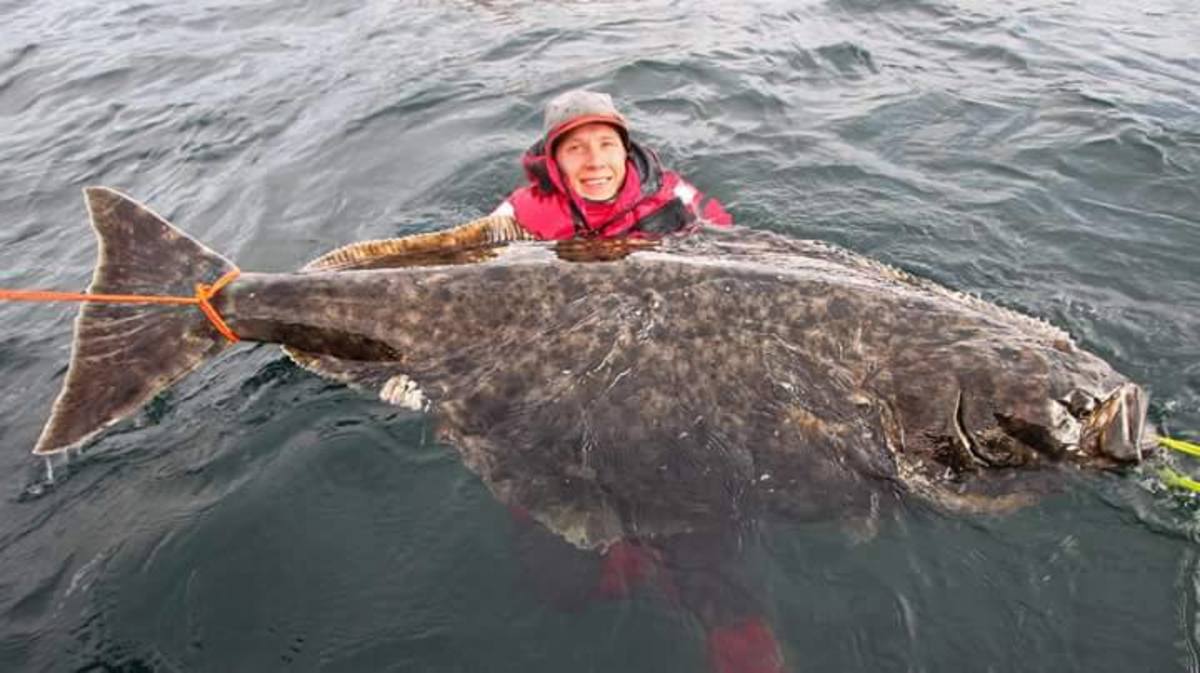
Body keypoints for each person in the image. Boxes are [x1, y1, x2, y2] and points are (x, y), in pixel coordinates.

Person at [491, 89, 733, 238]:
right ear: (554, 160)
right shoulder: (518, 214)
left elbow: (725, 242)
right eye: (575, 148)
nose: (595, 162)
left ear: (624, 151)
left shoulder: (674, 195)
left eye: (607, 144)